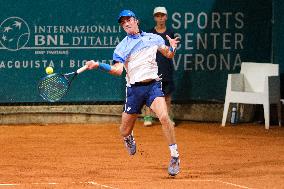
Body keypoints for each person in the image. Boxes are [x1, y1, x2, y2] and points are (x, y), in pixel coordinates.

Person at [85, 9, 180, 176]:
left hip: (153, 87)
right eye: (123, 22)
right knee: (124, 130)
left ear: (136, 21)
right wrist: (99, 64)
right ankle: (129, 138)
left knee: (164, 117)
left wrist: (172, 47)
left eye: (128, 20)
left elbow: (169, 55)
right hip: (134, 91)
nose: (126, 24)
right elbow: (117, 70)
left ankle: (174, 156)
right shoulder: (122, 47)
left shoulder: (154, 38)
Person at [143, 7, 176, 127]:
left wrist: (172, 48)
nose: (160, 18)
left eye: (162, 15)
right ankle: (148, 116)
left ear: (166, 17)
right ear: (154, 18)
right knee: (150, 94)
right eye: (158, 16)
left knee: (167, 96)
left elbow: (172, 53)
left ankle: (167, 118)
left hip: (166, 68)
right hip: (152, 69)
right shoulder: (149, 34)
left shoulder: (171, 33)